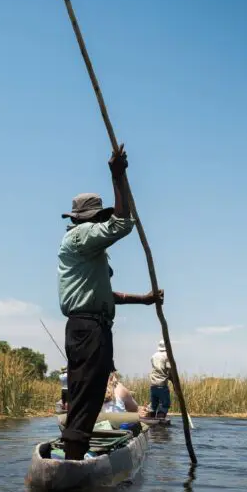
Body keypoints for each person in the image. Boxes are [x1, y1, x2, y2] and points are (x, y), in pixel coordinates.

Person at [57, 145, 165, 460]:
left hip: (88, 326)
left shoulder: (87, 251)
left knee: (84, 393)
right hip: (89, 329)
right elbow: (122, 223)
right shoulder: (80, 237)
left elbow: (107, 294)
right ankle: (75, 459)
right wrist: (118, 176)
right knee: (88, 395)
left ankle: (75, 450)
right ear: (87, 220)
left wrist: (144, 300)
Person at [149, 340, 172, 418]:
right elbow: (169, 370)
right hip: (162, 385)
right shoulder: (167, 356)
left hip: (153, 385)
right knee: (164, 406)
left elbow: (154, 368)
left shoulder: (153, 356)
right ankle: (161, 425)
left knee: (153, 407)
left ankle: (152, 425)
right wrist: (173, 381)